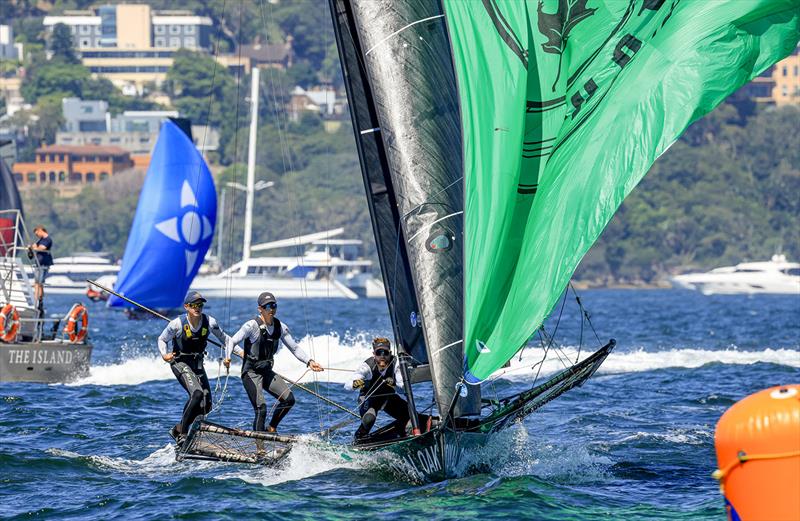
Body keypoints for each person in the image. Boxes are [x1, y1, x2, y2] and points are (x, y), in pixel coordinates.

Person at [225, 291, 323, 433]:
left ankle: (271, 428)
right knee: (261, 408)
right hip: (251, 373)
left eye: (274, 305)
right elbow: (232, 341)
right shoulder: (251, 326)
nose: (271, 309)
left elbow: (294, 348)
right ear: (260, 309)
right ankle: (260, 449)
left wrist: (309, 361)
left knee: (289, 400)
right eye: (267, 306)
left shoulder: (280, 327)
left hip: (266, 372)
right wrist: (228, 357)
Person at [157, 291, 234, 445]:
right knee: (197, 394)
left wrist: (229, 356)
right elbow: (161, 339)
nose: (198, 308)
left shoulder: (210, 322)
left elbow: (227, 340)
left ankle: (178, 428)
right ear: (186, 307)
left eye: (200, 305)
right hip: (180, 362)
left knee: (206, 405)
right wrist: (164, 355)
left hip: (197, 364)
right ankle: (183, 434)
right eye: (194, 305)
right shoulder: (176, 324)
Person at [345, 337, 410, 440]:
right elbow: (347, 385)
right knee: (369, 419)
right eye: (379, 353)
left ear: (390, 352)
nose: (382, 356)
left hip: (388, 398)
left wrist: (394, 385)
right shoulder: (367, 366)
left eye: (385, 352)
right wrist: (355, 384)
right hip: (369, 399)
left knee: (411, 415)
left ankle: (402, 433)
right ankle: (359, 439)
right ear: (374, 354)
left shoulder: (396, 364)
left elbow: (403, 389)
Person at [28, 226, 53, 306]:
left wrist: (35, 247)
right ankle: (40, 300)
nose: (37, 236)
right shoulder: (41, 240)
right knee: (39, 283)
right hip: (40, 264)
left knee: (37, 283)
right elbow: (34, 246)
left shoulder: (47, 239)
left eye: (37, 234)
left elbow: (41, 248)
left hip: (42, 264)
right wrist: (31, 247)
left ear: (40, 231)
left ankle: (36, 301)